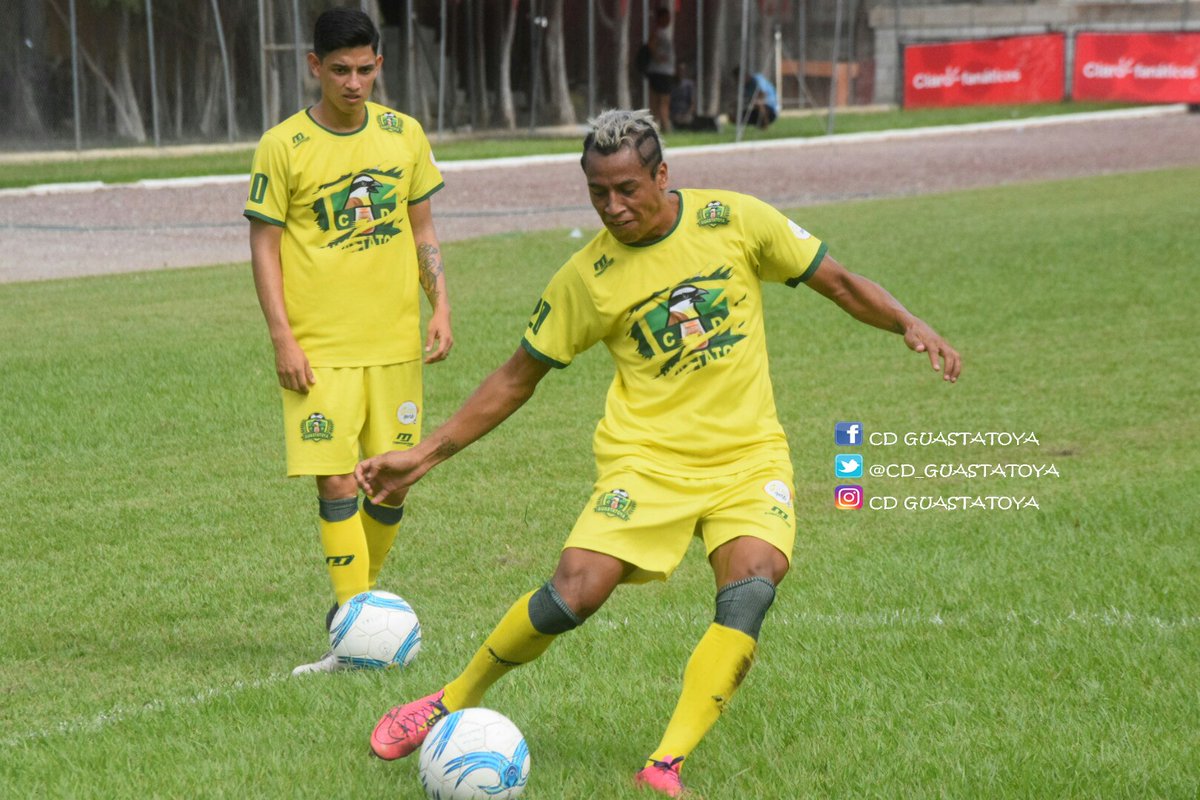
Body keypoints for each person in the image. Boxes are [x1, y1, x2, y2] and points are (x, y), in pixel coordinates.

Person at [356, 109, 960, 796]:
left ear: (662, 175)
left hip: (748, 459)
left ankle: (665, 763)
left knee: (751, 587)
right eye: (597, 193)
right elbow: (515, 379)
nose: (613, 207)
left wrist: (908, 322)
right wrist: (424, 455)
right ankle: (447, 698)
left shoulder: (736, 222)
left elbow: (840, 282)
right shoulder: (588, 278)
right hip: (646, 465)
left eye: (627, 189)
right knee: (574, 593)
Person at [243, 7, 452, 675]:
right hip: (321, 348)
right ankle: (354, 631)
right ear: (314, 67)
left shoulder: (404, 136)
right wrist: (283, 336)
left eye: (364, 69)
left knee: (392, 483)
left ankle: (360, 620)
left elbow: (423, 230)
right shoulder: (284, 146)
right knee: (335, 479)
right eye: (339, 70)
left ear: (378, 65)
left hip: (393, 343)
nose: (353, 82)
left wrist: (440, 304)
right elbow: (264, 246)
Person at [644, 7, 676, 133]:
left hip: (664, 72)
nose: (669, 19)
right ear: (660, 18)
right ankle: (666, 127)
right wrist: (657, 57)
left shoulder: (664, 32)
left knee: (659, 102)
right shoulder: (657, 32)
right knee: (662, 101)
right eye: (666, 17)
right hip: (660, 72)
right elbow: (650, 45)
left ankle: (657, 127)